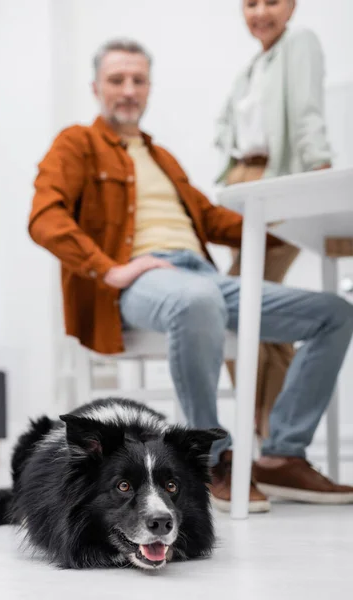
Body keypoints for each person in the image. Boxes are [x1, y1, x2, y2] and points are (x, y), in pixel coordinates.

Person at [28, 38, 353, 513]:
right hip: (143, 280)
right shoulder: (77, 143)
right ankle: (211, 458)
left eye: (138, 80)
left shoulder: (164, 160)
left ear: (149, 88)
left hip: (201, 275)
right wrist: (112, 269)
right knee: (197, 300)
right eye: (117, 79)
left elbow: (217, 222)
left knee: (334, 312)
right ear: (96, 86)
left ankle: (282, 454)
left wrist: (298, 213)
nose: (128, 89)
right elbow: (44, 216)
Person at [215, 0, 333, 440]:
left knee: (237, 306)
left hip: (277, 180)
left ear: (293, 6)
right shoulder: (253, 67)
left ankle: (266, 430)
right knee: (264, 315)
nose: (260, 12)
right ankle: (272, 432)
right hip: (243, 185)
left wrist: (319, 171)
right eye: (250, 3)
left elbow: (306, 112)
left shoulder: (300, 43)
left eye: (272, 1)